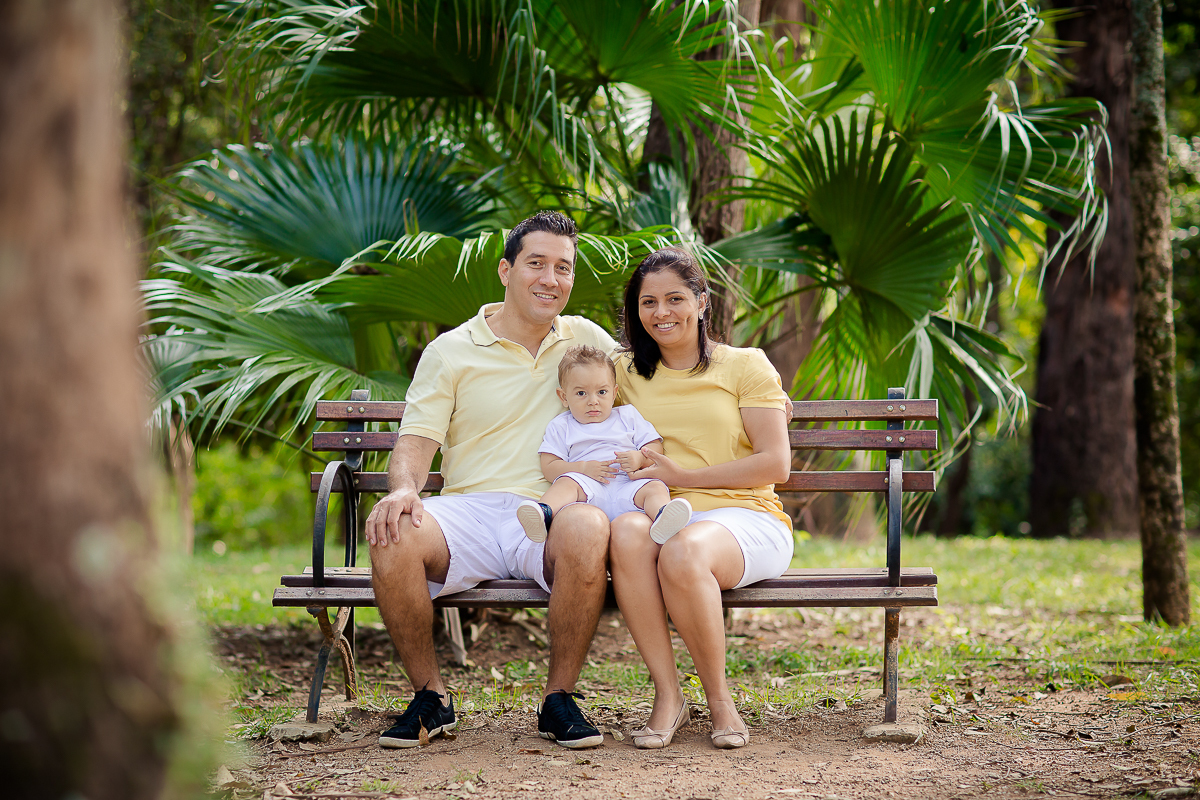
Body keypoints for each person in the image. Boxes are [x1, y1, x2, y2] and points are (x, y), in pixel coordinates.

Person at [364, 211, 616, 750]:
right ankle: (431, 698)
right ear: (505, 270)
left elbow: (664, 379)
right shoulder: (451, 350)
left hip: (551, 509)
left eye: (564, 268)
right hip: (469, 512)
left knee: (590, 526)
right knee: (394, 530)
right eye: (537, 264)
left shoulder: (587, 340)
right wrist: (405, 489)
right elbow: (415, 441)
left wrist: (752, 387)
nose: (552, 279)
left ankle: (559, 701)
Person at [608, 246, 794, 750]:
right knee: (625, 532)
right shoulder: (622, 374)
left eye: (674, 299)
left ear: (701, 301)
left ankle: (719, 700)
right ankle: (668, 696)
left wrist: (686, 473)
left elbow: (777, 464)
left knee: (684, 547)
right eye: (648, 303)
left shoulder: (745, 366)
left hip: (745, 516)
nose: (661, 313)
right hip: (659, 512)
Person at [514, 344, 692, 545]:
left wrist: (639, 458)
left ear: (614, 392)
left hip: (629, 485)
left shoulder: (627, 415)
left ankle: (663, 516)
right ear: (564, 397)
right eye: (581, 393)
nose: (593, 401)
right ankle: (544, 513)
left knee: (655, 487)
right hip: (588, 490)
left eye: (602, 392)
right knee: (566, 483)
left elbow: (655, 448)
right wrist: (581, 468)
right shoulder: (561, 425)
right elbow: (549, 466)